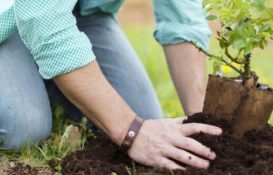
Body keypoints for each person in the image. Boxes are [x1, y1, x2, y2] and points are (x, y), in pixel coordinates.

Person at [0, 0, 223, 170]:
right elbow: (43, 19)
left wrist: (202, 125)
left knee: (146, 118)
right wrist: (131, 132)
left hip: (83, 13)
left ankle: (44, 68)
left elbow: (182, 16)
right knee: (24, 128)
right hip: (8, 13)